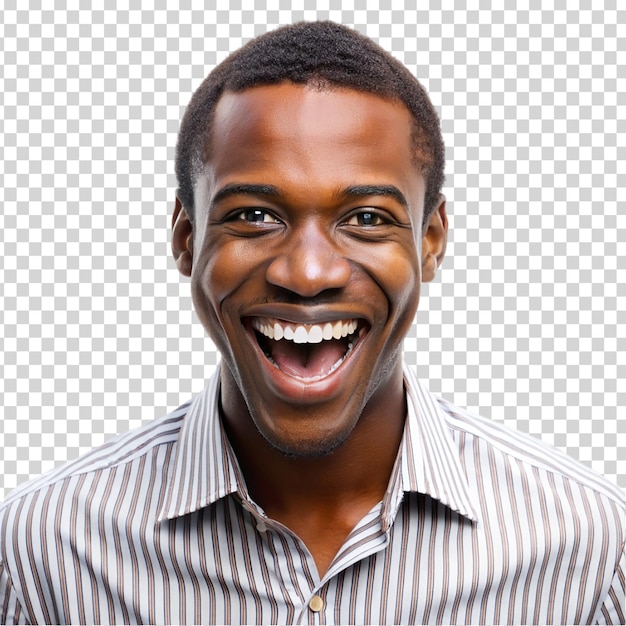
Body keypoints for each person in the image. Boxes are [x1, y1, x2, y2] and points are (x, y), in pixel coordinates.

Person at [0, 21, 623, 626]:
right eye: (254, 214)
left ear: (430, 241)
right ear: (187, 240)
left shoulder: (584, 546)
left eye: (368, 219)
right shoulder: (50, 549)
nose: (307, 272)